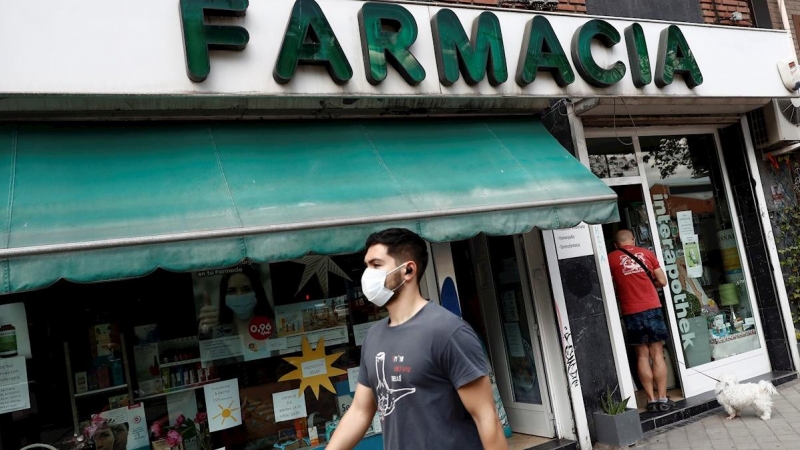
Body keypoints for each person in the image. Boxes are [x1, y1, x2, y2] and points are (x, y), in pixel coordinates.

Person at [326, 228, 507, 450]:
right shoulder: (374, 337)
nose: (367, 275)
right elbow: (360, 411)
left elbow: (487, 418)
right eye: (367, 266)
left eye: (376, 265)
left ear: (408, 270)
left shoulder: (448, 332)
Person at [608, 230, 671, 413]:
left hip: (631, 311)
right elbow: (662, 281)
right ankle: (663, 399)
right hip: (652, 307)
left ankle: (651, 400)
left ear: (615, 244)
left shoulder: (611, 259)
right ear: (633, 240)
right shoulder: (647, 254)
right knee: (657, 353)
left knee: (642, 355)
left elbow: (610, 286)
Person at [197, 265, 275, 339]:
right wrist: (205, 331)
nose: (239, 295)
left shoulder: (275, 325)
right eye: (232, 291)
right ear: (224, 296)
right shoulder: (219, 334)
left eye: (246, 289)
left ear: (257, 291)